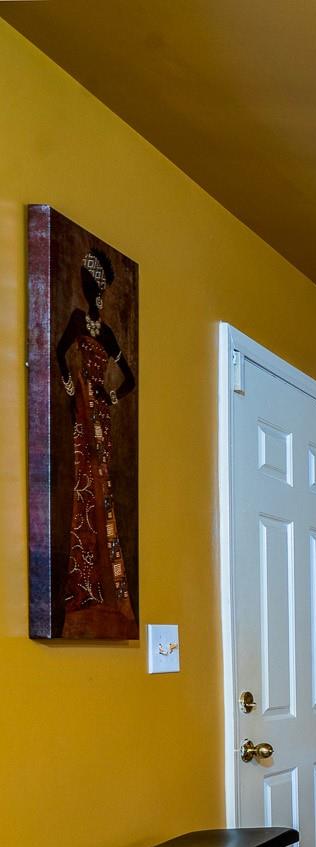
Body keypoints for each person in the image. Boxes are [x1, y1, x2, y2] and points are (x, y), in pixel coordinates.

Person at [54, 249, 137, 635]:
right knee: (84, 487)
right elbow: (59, 353)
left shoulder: (106, 333)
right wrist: (73, 392)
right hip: (83, 414)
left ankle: (106, 588)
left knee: (100, 491)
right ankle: (83, 584)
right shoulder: (75, 321)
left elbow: (129, 379)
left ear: (100, 289)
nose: (89, 287)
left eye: (94, 280)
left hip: (100, 413)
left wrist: (110, 396)